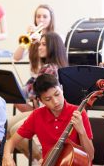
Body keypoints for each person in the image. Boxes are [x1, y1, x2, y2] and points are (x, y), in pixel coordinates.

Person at [2, 73, 94, 166]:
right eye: (48, 99)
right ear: (41, 101)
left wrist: (81, 131)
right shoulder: (37, 115)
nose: (56, 101)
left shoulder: (78, 113)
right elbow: (11, 142)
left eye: (57, 94)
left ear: (61, 89)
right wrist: (7, 156)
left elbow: (90, 155)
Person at [7, 31, 68, 163]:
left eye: (43, 44)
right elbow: (29, 89)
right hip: (40, 110)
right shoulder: (46, 67)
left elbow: (30, 92)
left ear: (53, 47)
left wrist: (12, 88)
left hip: (50, 112)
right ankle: (33, 158)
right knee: (7, 126)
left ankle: (42, 159)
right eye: (40, 44)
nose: (39, 47)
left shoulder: (50, 68)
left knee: (15, 130)